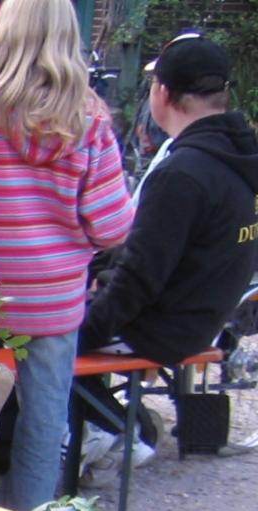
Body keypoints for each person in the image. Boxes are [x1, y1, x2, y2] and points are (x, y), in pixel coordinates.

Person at [0, 0, 133, 511]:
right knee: (45, 422)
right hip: (52, 303)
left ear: (4, 35)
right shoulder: (90, 123)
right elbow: (112, 227)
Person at [73, 34, 258, 466]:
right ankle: (109, 423)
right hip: (206, 318)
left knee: (38, 334)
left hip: (161, 329)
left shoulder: (182, 174)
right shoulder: (240, 157)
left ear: (163, 94)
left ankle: (113, 432)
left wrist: (81, 333)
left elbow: (138, 280)